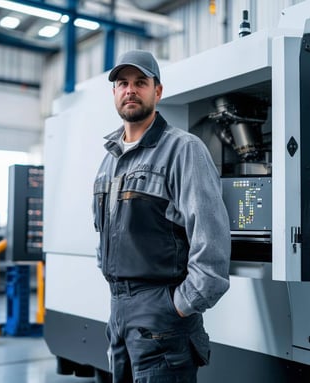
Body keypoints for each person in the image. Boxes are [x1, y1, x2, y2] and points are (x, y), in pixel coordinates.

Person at [93, 49, 231, 383]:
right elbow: (104, 235)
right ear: (114, 92)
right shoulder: (109, 159)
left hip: (163, 317)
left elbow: (211, 243)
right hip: (119, 312)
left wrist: (176, 307)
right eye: (123, 83)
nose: (130, 90)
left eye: (141, 82)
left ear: (158, 91)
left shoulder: (183, 149)